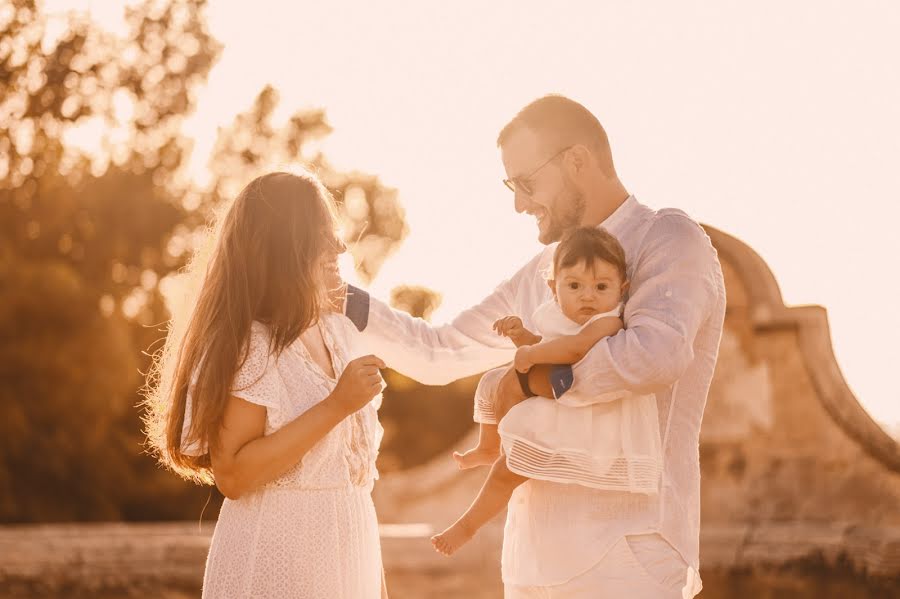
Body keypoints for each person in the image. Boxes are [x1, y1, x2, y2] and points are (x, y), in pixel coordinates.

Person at [342, 94, 726, 598]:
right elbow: (441, 351)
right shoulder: (542, 272)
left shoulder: (669, 238)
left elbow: (653, 357)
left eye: (525, 183)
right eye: (512, 187)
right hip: (531, 562)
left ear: (577, 161)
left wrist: (528, 380)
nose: (519, 203)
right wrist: (340, 298)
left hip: (631, 552)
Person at [143, 171, 389, 599]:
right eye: (322, 236)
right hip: (275, 567)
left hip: (348, 570)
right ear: (285, 247)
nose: (341, 248)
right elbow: (234, 475)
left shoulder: (339, 333)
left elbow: (356, 489)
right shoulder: (251, 345)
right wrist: (336, 405)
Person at [432, 226, 662, 556]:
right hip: (550, 392)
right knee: (491, 383)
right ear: (554, 288)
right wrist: (521, 336)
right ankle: (488, 444)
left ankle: (467, 525)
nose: (588, 296)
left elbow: (573, 350)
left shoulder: (608, 321)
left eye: (601, 286)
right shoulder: (555, 316)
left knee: (505, 471)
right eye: (574, 285)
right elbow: (546, 347)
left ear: (621, 289)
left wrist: (531, 355)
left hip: (576, 414)